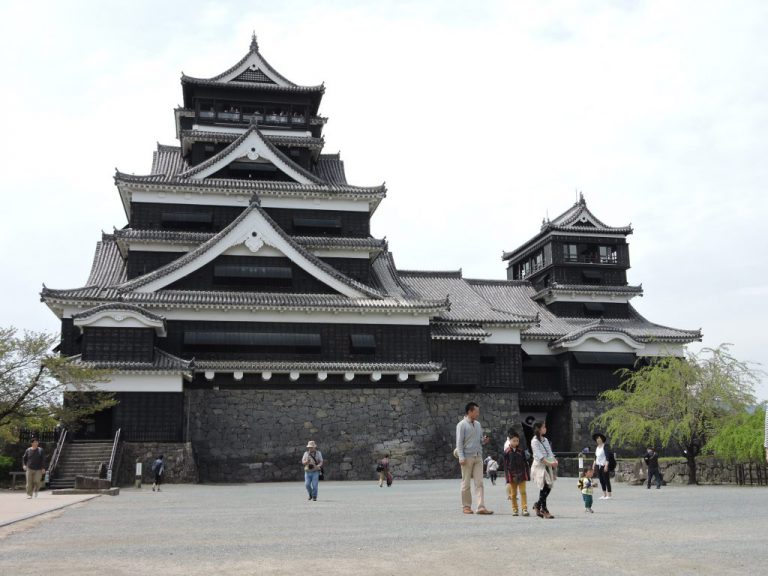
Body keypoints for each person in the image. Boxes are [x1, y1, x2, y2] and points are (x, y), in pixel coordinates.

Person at [456, 402, 493, 515]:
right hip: (466, 457)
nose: (478, 413)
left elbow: (479, 440)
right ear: (470, 411)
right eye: (476, 411)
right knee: (466, 483)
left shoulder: (478, 424)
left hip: (478, 456)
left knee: (479, 482)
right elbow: (459, 443)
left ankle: (481, 507)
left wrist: (484, 440)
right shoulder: (461, 425)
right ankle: (466, 506)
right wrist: (461, 457)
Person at [530, 421, 557, 519]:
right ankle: (544, 509)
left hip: (547, 465)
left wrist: (554, 460)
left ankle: (538, 504)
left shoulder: (545, 439)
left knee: (548, 487)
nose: (545, 428)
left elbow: (549, 452)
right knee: (544, 486)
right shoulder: (534, 441)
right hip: (539, 466)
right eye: (543, 427)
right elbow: (539, 456)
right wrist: (550, 463)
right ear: (539, 429)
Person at [503, 430, 530, 516]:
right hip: (512, 476)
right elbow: (505, 466)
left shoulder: (521, 451)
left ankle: (524, 509)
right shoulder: (507, 452)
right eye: (514, 440)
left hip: (521, 475)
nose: (516, 442)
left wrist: (527, 475)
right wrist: (507, 478)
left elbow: (525, 463)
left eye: (517, 440)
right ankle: (515, 509)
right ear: (509, 441)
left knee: (523, 492)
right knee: (513, 494)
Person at [592, 432, 613, 499]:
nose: (598, 440)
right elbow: (596, 457)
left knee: (606, 479)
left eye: (599, 438)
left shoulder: (605, 446)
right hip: (598, 465)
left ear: (602, 439)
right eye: (597, 439)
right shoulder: (597, 447)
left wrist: (606, 465)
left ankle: (609, 495)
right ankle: (604, 494)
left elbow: (607, 457)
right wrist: (594, 464)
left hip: (604, 465)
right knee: (601, 480)